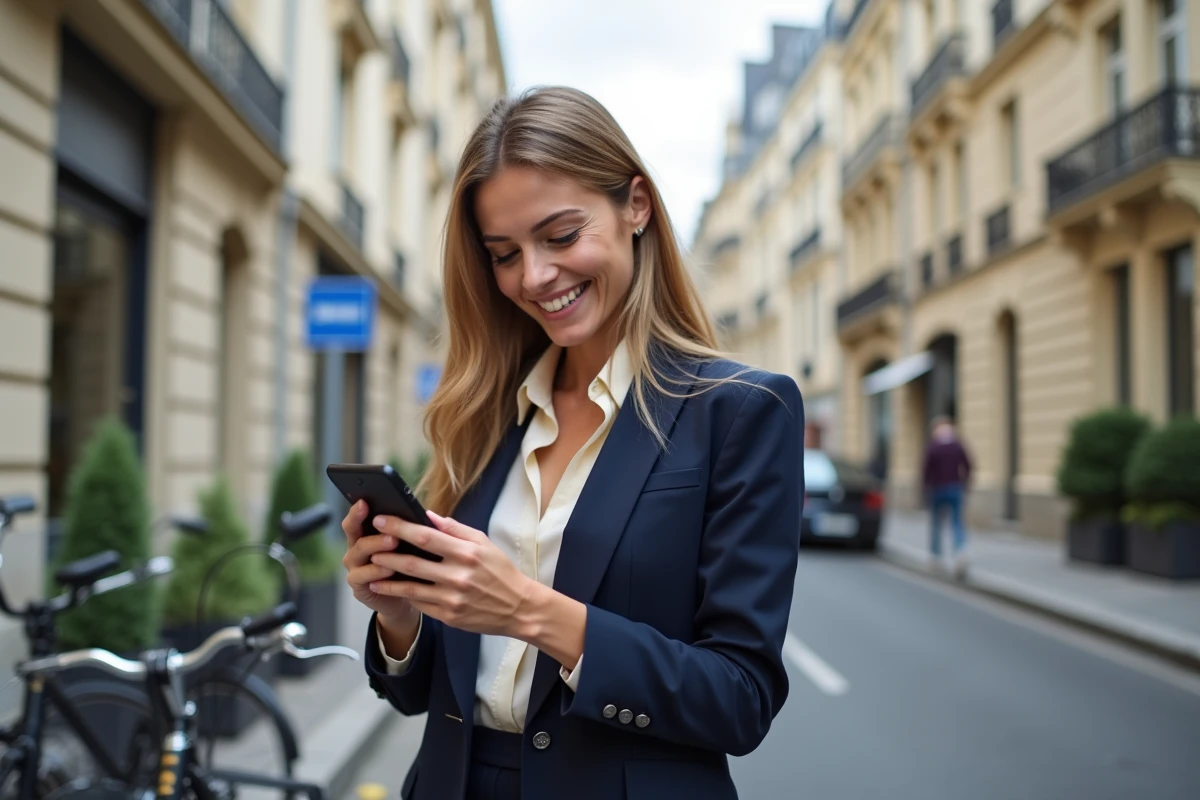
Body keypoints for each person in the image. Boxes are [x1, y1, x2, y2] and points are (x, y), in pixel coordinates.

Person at [340, 86, 804, 800]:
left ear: (636, 207)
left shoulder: (740, 411)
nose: (533, 277)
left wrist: (528, 609)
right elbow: (432, 693)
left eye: (560, 236)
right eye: (503, 254)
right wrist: (400, 614)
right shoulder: (485, 412)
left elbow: (739, 699)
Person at [922, 416, 973, 576]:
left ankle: (935, 557)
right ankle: (960, 552)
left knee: (937, 524)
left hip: (937, 489)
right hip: (955, 487)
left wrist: (923, 490)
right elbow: (969, 464)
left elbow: (925, 471)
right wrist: (965, 483)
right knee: (957, 522)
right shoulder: (957, 445)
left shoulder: (933, 447)